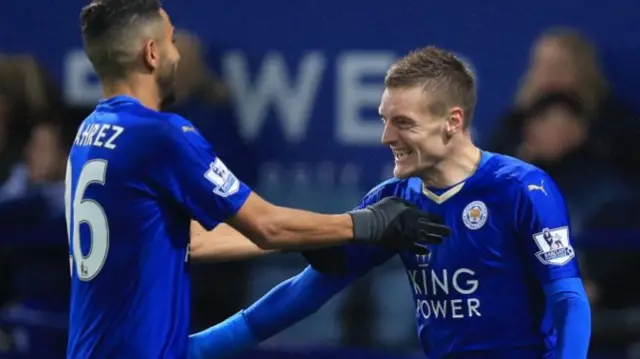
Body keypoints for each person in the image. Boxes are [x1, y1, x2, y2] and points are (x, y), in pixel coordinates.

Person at [65, 1, 450, 358]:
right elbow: (265, 225)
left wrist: (312, 237)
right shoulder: (160, 134)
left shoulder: (89, 134)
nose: (177, 54)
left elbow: (186, 240)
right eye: (172, 42)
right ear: (151, 53)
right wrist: (367, 223)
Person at [188, 47, 592, 359]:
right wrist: (199, 349)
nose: (386, 137)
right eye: (384, 119)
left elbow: (568, 299)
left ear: (452, 121)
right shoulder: (391, 203)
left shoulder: (522, 189)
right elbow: (303, 293)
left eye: (403, 123)